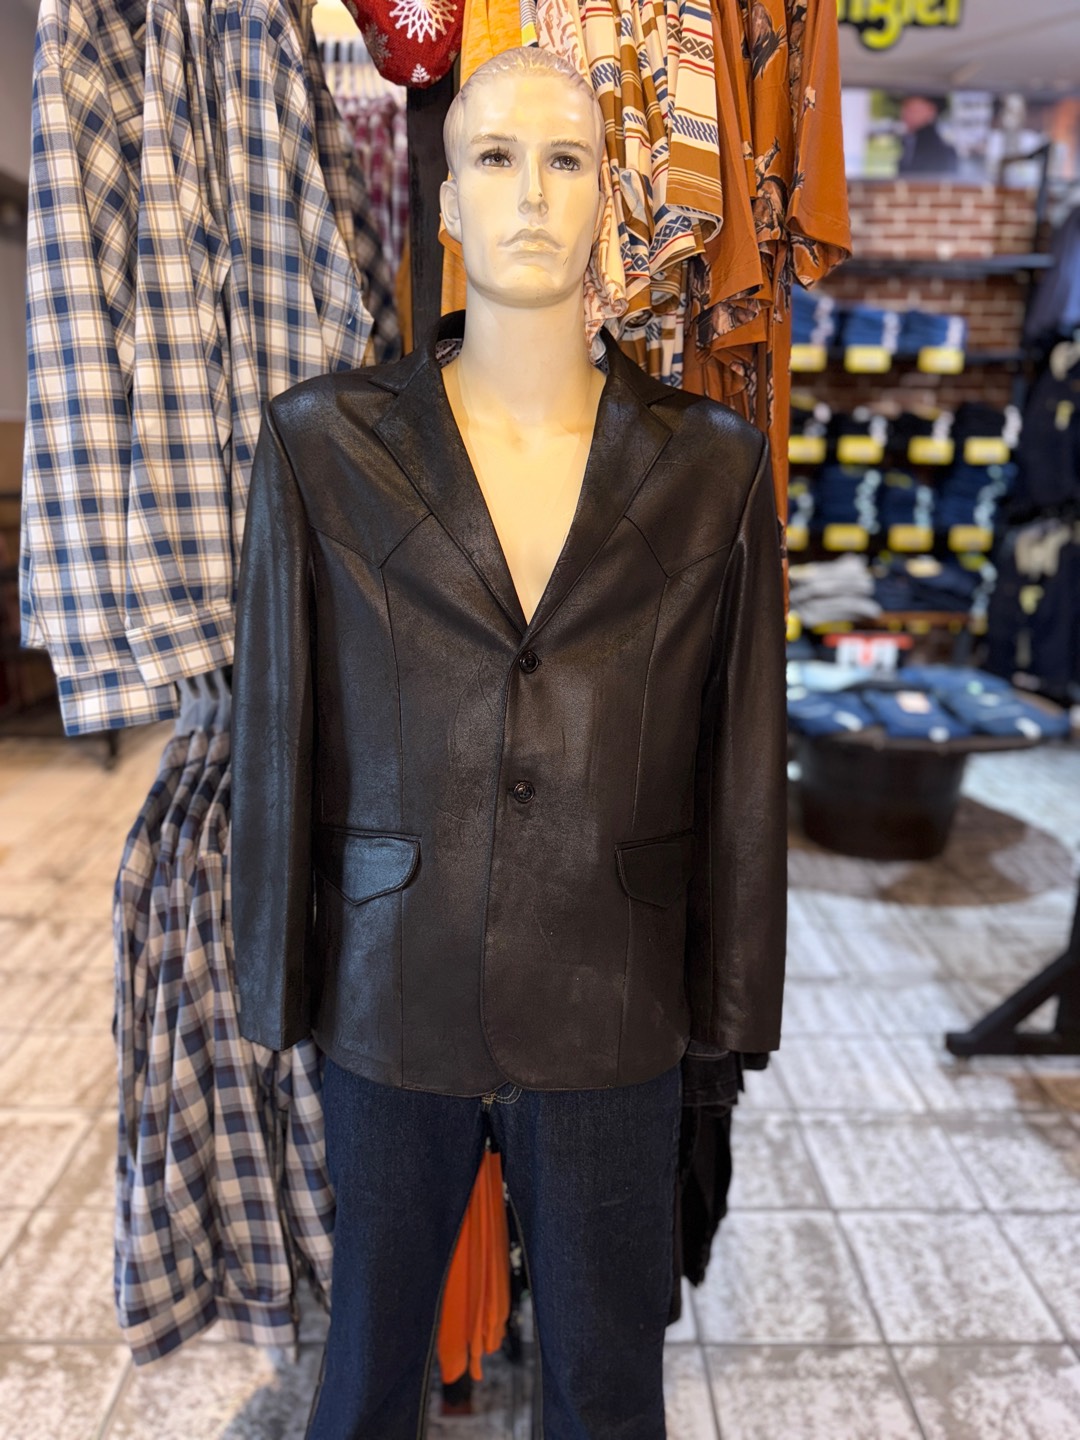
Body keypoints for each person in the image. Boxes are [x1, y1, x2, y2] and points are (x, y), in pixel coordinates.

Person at [230, 46, 787, 1439]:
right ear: (445, 208)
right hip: (389, 986)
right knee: (364, 1381)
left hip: (614, 995)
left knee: (607, 1389)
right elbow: (277, 732)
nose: (531, 193)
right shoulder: (322, 446)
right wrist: (273, 986)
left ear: (608, 200)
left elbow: (741, 762)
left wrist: (732, 1009)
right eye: (494, 158)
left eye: (566, 160)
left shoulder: (713, 464)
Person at [897, 93, 960, 175]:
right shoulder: (910, 141)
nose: (904, 114)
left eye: (912, 110)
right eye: (904, 108)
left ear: (931, 111)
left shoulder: (940, 151)